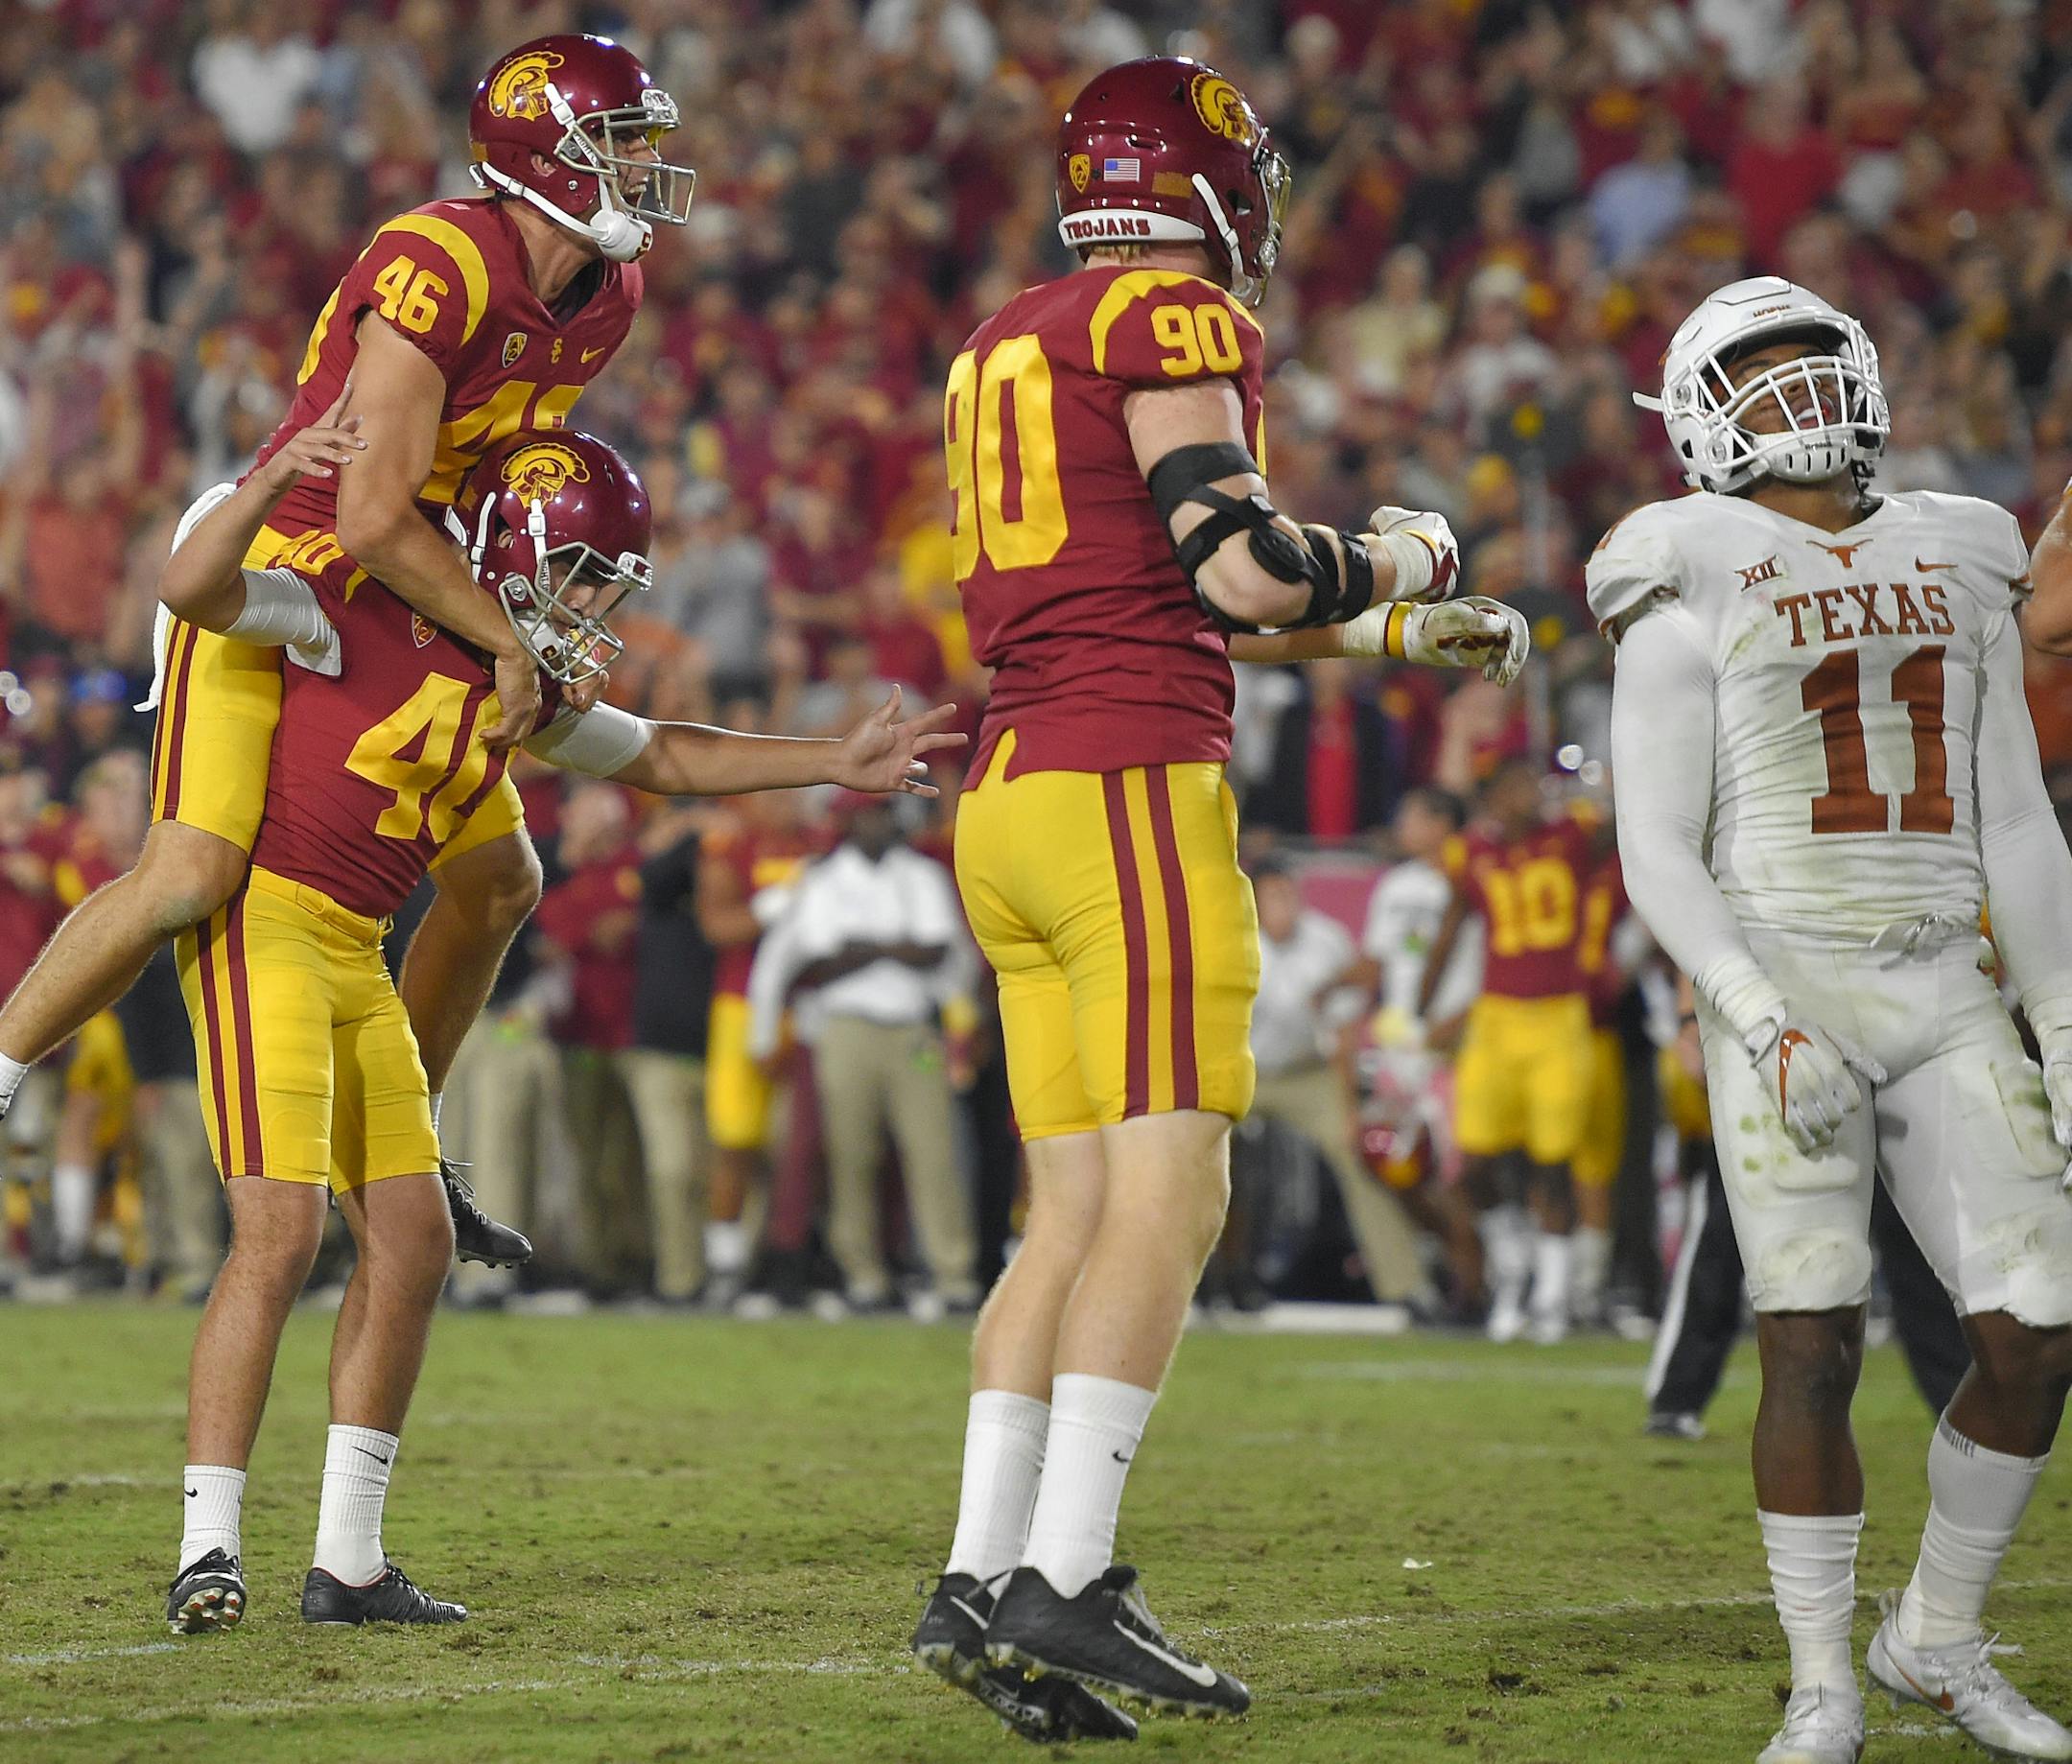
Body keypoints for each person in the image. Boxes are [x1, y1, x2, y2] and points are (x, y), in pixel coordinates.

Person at [913, 54, 1531, 1742]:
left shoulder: (1002, 339)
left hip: (1014, 796)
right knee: (1175, 1193)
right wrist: (1411, 557)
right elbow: (1239, 565)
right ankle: (1067, 1569)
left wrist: (1394, 633)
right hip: (1126, 790)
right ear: (1204, 188)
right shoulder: (1170, 320)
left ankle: (981, 1578)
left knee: (1068, 1212)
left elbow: (1168, 590)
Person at [158, 423, 963, 1636]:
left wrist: (828, 764)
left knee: (413, 1244)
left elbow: (662, 762)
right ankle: (205, 1548)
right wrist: (268, 480)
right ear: (514, 553)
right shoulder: (357, 603)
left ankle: (350, 1562)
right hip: (265, 926)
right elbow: (198, 590)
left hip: (356, 954)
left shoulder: (513, 678)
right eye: (586, 578)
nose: (595, 608)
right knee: (277, 1231)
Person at [0, 33, 697, 1269]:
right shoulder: (443, 261)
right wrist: (507, 641)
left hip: (410, 582)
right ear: (542, 154)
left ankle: (400, 1145)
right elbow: (370, 510)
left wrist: (529, 609)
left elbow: (475, 489)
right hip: (285, 562)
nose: (643, 167)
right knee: (189, 872)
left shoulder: (610, 295)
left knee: (500, 885)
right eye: (618, 144)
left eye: (643, 142)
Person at [1591, 274, 2072, 1764]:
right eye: (1761, 371)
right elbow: (1656, 842)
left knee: (2041, 1334)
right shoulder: (1688, 570)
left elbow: (2017, 818)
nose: (1794, 394)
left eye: (1814, 362)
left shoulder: (1959, 547)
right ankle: (1824, 1680)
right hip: (1784, 981)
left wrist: (2062, 1010)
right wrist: (1745, 1006)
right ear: (1694, 418)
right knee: (1806, 1338)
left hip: (1942, 974)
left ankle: (1931, 1632)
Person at [750, 793, 978, 1317]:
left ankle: (953, 1273)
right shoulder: (823, 880)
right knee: (851, 1154)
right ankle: (863, 1274)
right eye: (867, 814)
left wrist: (864, 951)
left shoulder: (920, 875)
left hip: (915, 1031)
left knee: (933, 1152)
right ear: (848, 823)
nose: (877, 823)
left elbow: (938, 950)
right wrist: (895, 950)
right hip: (844, 1029)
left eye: (883, 813)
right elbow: (807, 962)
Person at [1419, 759, 1602, 1345]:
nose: (1527, 795)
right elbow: (1451, 926)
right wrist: (1419, 1006)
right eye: (1514, 786)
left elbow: (1627, 824)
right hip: (1496, 1016)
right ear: (1492, 798)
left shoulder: (1574, 834)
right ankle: (1512, 1264)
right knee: (1470, 1160)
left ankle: (1550, 1296)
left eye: (1532, 785)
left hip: (1559, 1016)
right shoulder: (1470, 852)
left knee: (1554, 1163)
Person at [1247, 856, 1425, 1313]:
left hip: (1310, 1073)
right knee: (1193, 1161)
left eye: (1289, 892)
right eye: (1273, 895)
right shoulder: (1227, 938)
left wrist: (1349, 1113)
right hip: (1239, 1071)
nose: (1284, 903)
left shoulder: (1327, 939)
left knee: (1358, 1155)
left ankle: (1406, 1288)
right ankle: (1202, 1288)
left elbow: (1345, 1034)